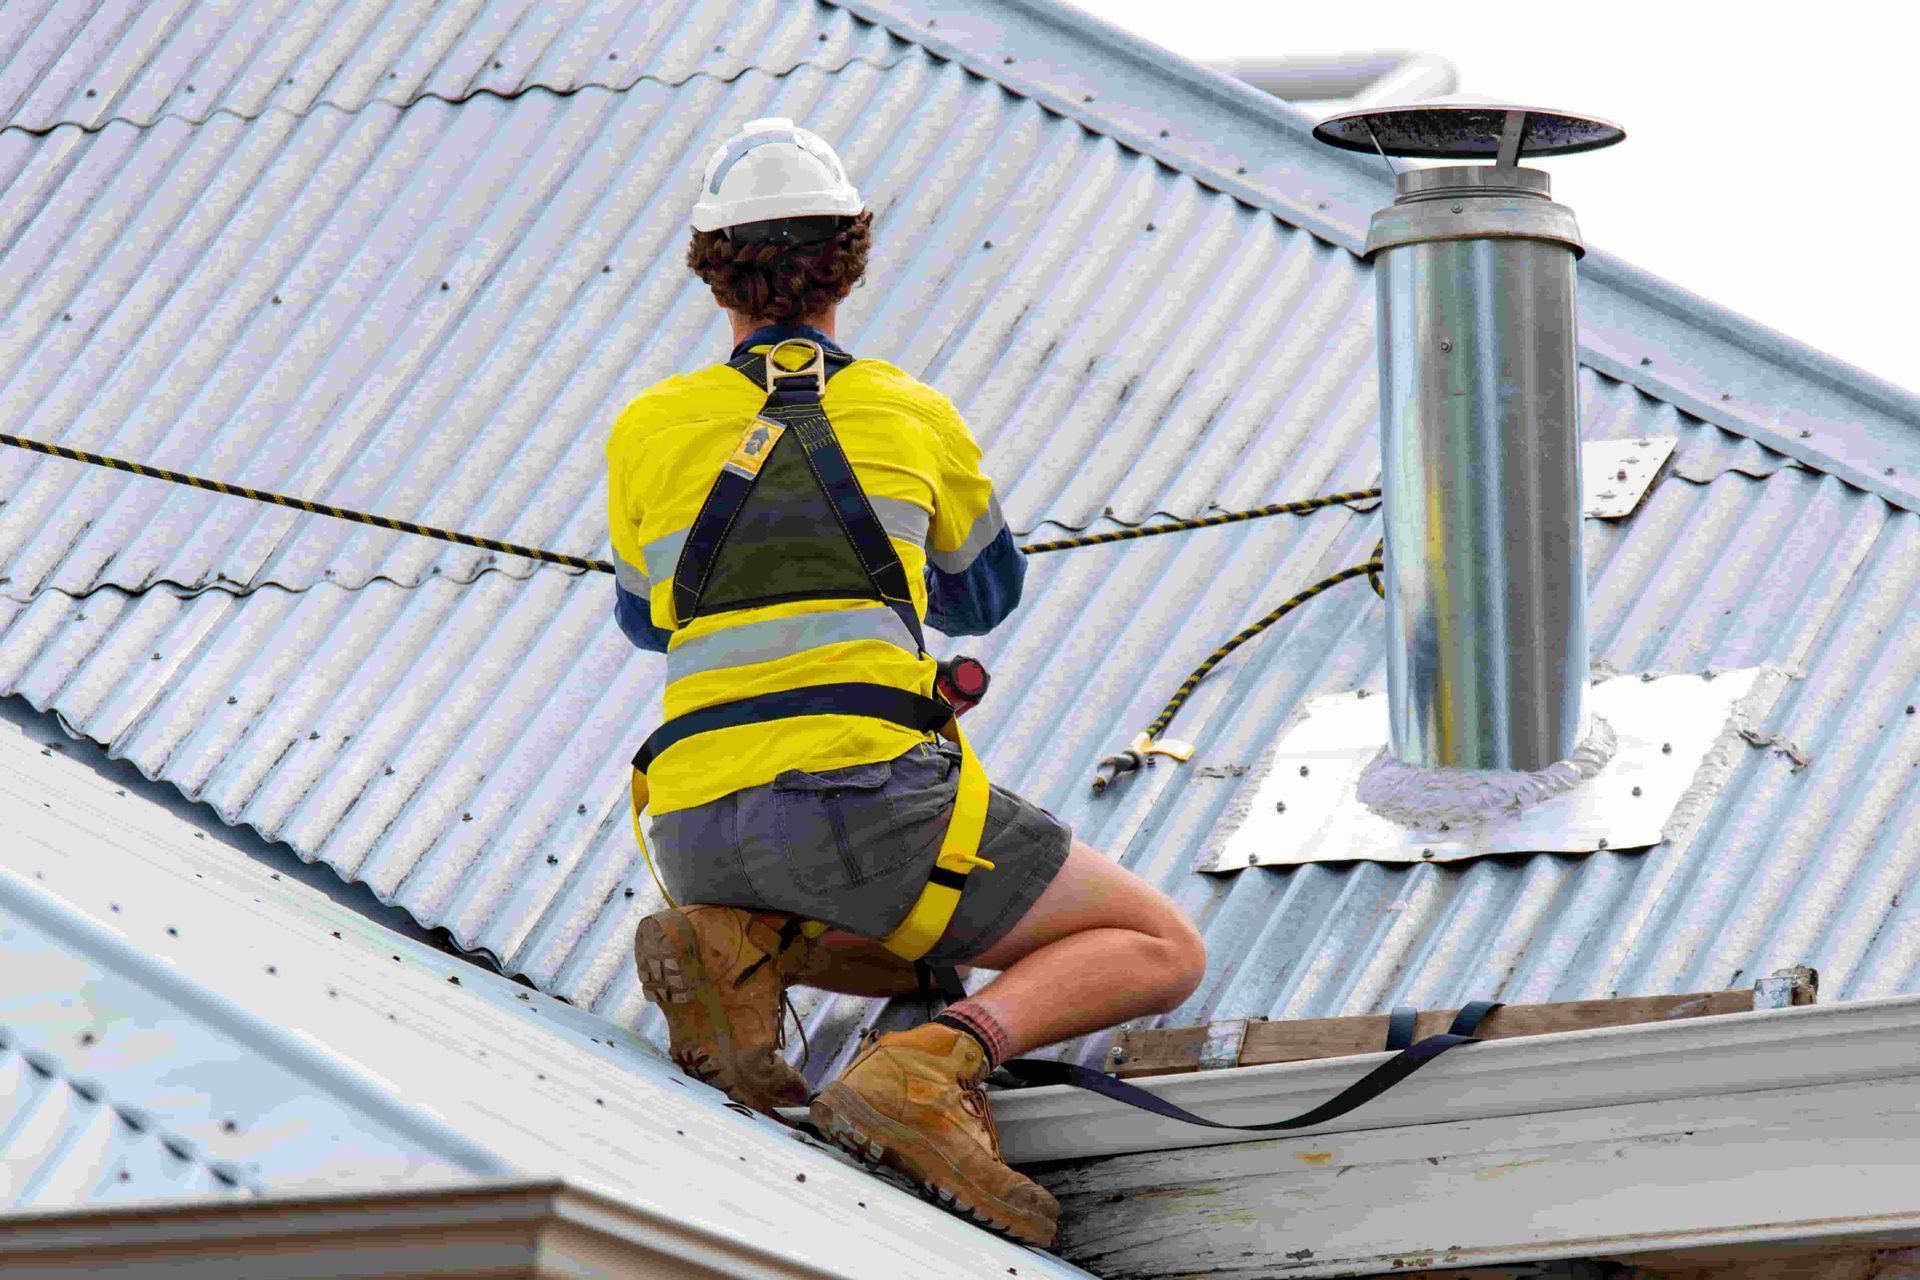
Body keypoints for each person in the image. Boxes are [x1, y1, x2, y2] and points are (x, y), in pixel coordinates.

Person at [607, 117, 1205, 1248]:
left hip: (693, 830)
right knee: (1158, 944)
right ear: (851, 261)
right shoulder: (911, 411)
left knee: (923, 942)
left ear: (709, 268)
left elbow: (645, 616)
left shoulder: (646, 427)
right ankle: (930, 1067)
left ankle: (740, 946)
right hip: (864, 809)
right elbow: (983, 596)